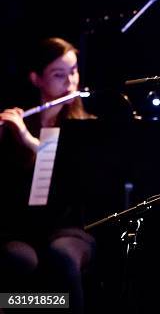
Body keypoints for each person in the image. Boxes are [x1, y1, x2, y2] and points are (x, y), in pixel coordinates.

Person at [0, 37, 95, 313]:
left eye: (74, 71)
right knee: (17, 260)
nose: (70, 82)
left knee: (62, 256)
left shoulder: (85, 128)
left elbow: (74, 181)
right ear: (36, 79)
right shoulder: (17, 124)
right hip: (21, 229)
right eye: (58, 74)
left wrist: (30, 142)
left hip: (70, 228)